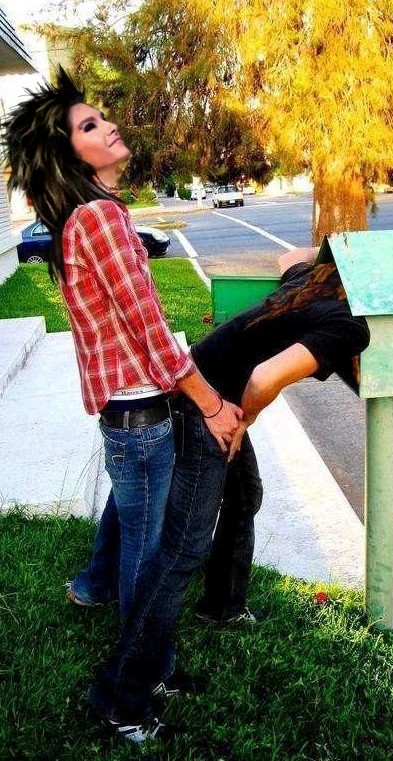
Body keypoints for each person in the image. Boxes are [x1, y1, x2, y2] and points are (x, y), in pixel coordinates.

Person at [88, 245, 370, 742]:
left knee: (243, 497)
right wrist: (244, 420)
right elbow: (263, 378)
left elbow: (293, 255)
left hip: (199, 387)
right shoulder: (349, 324)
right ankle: (122, 700)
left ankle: (222, 605)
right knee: (181, 553)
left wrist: (332, 249)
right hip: (209, 410)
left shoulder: (310, 285)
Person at [0, 67, 241, 623]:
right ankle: (139, 661)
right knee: (147, 546)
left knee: (129, 505)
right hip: (139, 412)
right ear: (70, 157)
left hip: (123, 408)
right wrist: (210, 404)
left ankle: (93, 586)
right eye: (89, 126)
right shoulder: (101, 218)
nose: (108, 126)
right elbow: (147, 326)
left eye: (101, 117)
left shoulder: (86, 217)